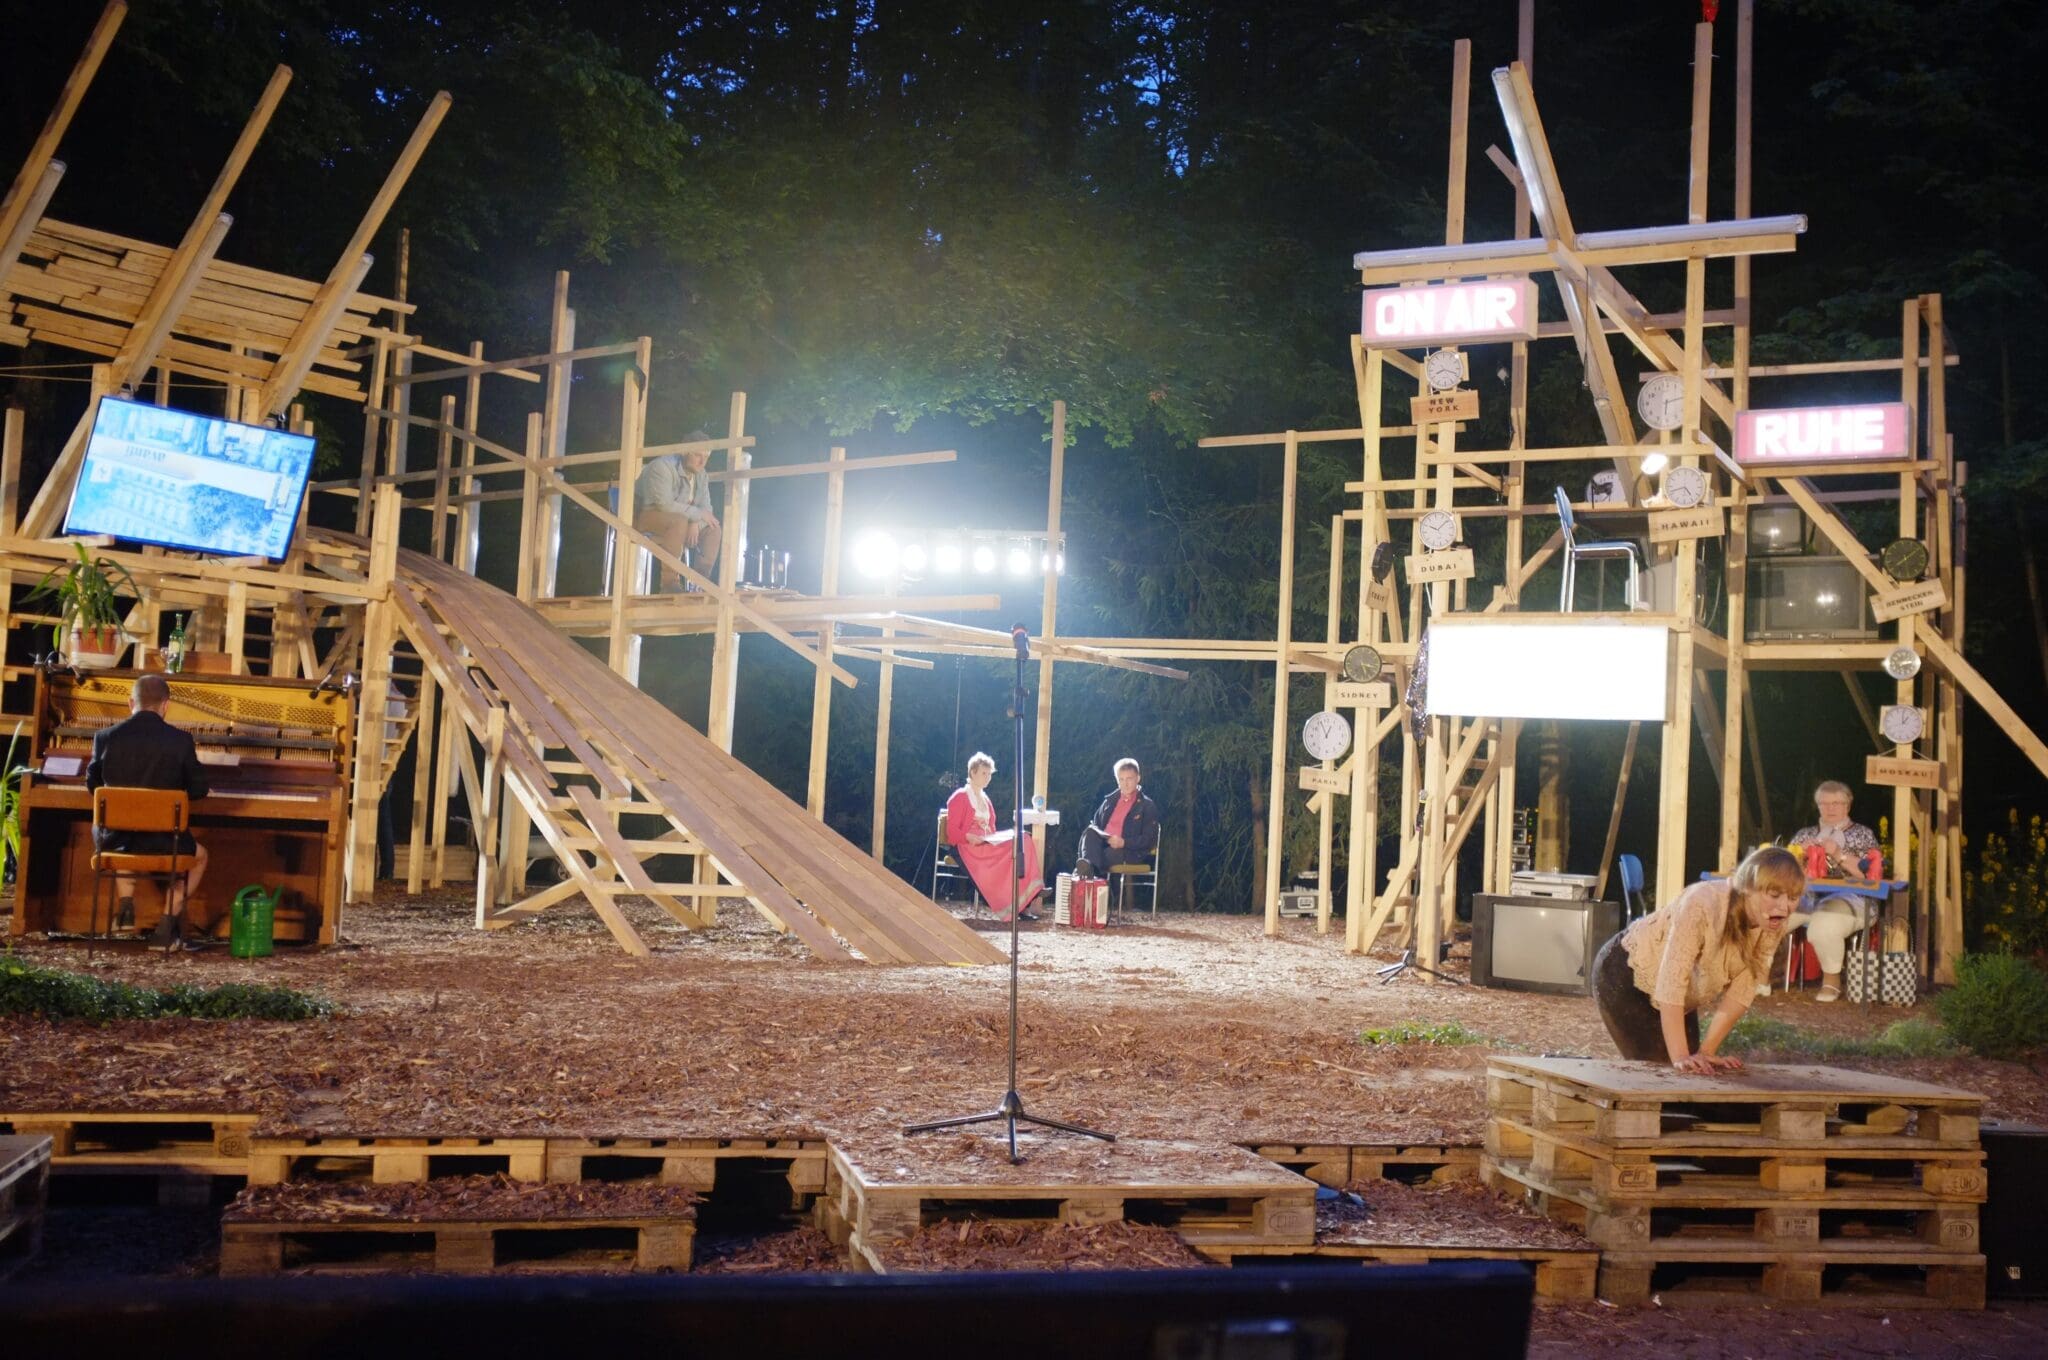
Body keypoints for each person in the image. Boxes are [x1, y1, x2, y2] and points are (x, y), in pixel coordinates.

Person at [1591, 845, 1805, 1073]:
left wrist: (1706, 1051)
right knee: (1660, 1071)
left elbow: (1742, 990)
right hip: (1626, 973)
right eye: (1774, 895)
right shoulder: (1702, 903)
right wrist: (1680, 1056)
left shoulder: (1772, 923)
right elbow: (1672, 980)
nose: (1784, 907)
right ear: (1748, 888)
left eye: (1793, 898)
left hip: (1678, 993)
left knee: (1696, 1070)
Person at [85, 672, 210, 950]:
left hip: (115, 840)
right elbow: (199, 789)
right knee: (200, 857)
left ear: (131, 703)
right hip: (164, 842)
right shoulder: (180, 740)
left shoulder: (104, 737)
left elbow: (93, 786)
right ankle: (165, 928)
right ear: (166, 705)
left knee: (124, 841)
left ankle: (126, 907)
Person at [1786, 780, 1885, 1003]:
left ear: (1847, 806)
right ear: (1817, 806)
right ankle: (1757, 976)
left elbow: (1872, 875)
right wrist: (1797, 856)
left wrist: (1839, 854)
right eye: (1824, 803)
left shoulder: (1862, 834)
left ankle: (1832, 981)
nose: (1830, 808)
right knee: (1768, 915)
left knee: (1824, 923)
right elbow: (1782, 872)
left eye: (1836, 803)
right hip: (1808, 897)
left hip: (1855, 900)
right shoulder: (1806, 834)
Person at [944, 752, 1043, 922]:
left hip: (986, 843)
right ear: (973, 772)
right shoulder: (960, 796)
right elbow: (951, 832)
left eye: (989, 774)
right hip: (967, 847)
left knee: (1023, 839)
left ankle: (1028, 896)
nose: (988, 777)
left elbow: (992, 828)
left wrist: (994, 839)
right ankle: (1015, 904)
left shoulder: (985, 799)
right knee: (1010, 851)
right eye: (984, 773)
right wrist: (969, 837)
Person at [634, 432, 722, 591]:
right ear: (684, 451)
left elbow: (706, 508)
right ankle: (669, 584)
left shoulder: (701, 475)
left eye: (706, 457)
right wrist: (696, 514)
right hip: (645, 515)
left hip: (681, 520)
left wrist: (695, 521)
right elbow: (664, 504)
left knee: (713, 529)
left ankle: (700, 585)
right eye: (698, 455)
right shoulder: (662, 466)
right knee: (679, 521)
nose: (702, 461)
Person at [1076, 757, 1160, 879]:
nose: (1125, 784)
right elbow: (1096, 825)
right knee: (1090, 832)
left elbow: (1149, 839)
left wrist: (1124, 842)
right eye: (1121, 779)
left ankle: (1086, 874)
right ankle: (1089, 873)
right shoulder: (1109, 801)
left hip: (1129, 851)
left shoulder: (1146, 805)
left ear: (1138, 778)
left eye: (1129, 779)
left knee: (1102, 855)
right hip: (1104, 844)